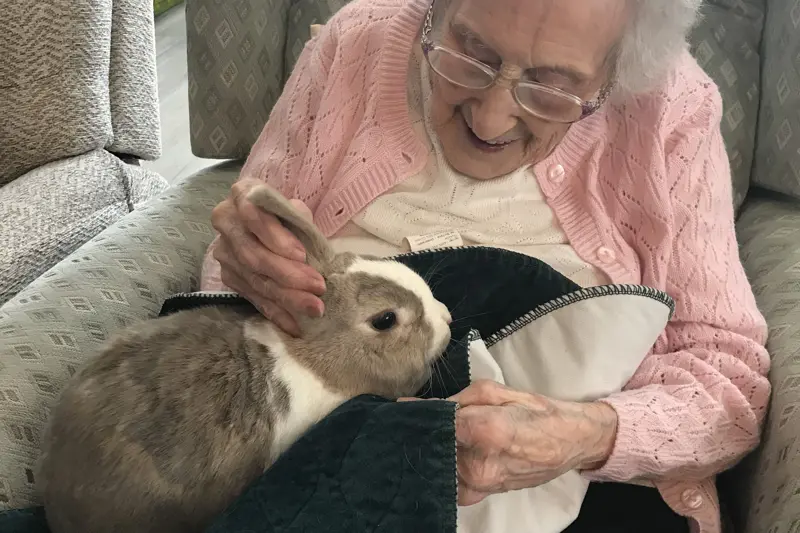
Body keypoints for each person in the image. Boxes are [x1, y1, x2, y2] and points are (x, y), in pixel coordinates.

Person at [201, 0, 771, 531]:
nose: (492, 118)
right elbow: (232, 274)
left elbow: (729, 388)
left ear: (613, 75)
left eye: (552, 88)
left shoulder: (673, 108)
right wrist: (249, 270)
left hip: (564, 487)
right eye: (471, 55)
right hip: (315, 448)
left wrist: (579, 437)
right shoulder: (355, 42)